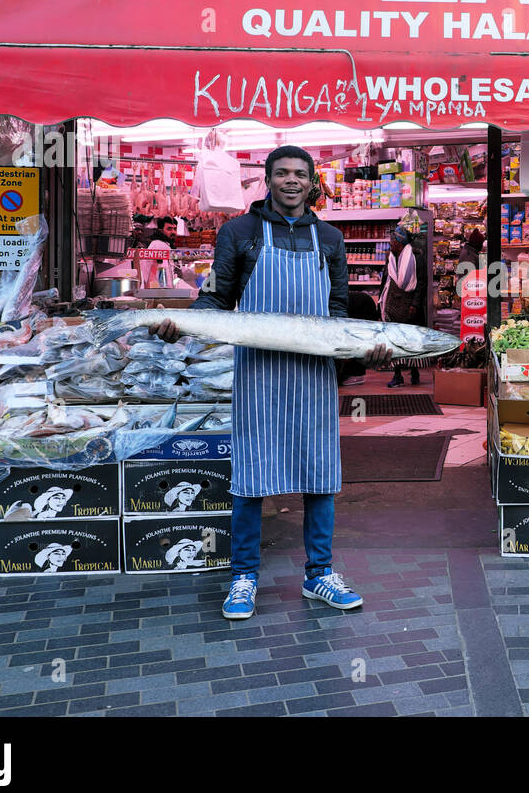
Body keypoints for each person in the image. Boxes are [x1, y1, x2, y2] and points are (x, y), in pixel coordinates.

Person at [149, 145, 392, 621]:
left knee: (320, 474)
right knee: (250, 477)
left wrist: (367, 348)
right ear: (267, 180)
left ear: (311, 181)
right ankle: (244, 577)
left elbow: (339, 312)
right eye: (282, 173)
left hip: (314, 375)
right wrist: (183, 323)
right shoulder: (239, 232)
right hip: (259, 372)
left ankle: (319, 574)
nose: (291, 181)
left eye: (300, 174)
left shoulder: (329, 239)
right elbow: (216, 297)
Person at [381, 226, 423, 387]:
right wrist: (382, 301)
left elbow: (421, 283)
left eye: (393, 240)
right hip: (392, 302)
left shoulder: (415, 256)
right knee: (394, 339)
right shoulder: (390, 257)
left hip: (408, 303)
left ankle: (414, 371)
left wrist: (415, 304)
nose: (390, 243)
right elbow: (386, 280)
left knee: (410, 340)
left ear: (400, 242)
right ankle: (397, 374)